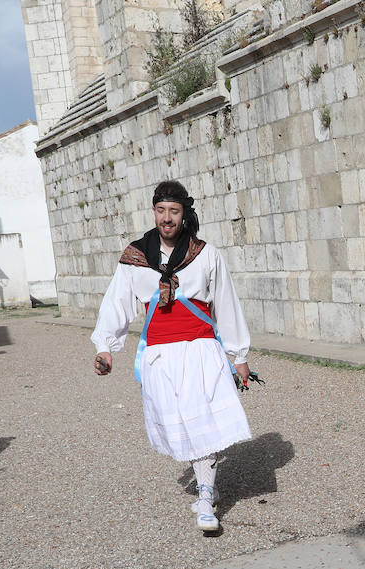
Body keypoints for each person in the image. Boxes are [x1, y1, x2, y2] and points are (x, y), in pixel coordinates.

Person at [91, 179, 254, 533]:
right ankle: (204, 490)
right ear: (154, 212)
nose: (167, 218)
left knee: (204, 424)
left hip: (200, 350)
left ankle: (207, 497)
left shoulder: (205, 253)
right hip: (160, 357)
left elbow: (225, 303)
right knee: (182, 424)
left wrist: (238, 354)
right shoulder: (135, 257)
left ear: (184, 215)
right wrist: (105, 347)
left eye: (174, 212)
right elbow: (117, 303)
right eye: (161, 211)